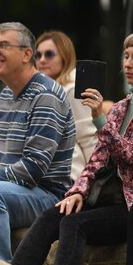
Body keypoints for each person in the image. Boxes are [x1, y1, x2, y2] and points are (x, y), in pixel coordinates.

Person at [0, 22, 76, 263]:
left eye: (3, 46)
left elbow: (32, 170)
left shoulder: (46, 95)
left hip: (48, 195)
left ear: (27, 54)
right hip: (14, 190)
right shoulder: (6, 94)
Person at [78, 32, 133, 265]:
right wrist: (78, 190)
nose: (127, 64)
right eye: (126, 56)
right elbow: (98, 157)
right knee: (64, 217)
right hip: (119, 197)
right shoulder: (121, 106)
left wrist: (100, 121)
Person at [35, 31, 98, 180]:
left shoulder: (73, 89)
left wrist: (94, 180)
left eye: (49, 54)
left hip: (71, 176)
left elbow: (88, 138)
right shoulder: (38, 91)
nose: (42, 60)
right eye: (38, 55)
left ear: (64, 57)